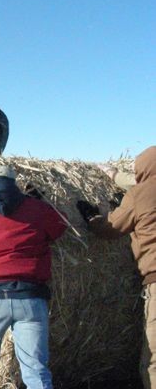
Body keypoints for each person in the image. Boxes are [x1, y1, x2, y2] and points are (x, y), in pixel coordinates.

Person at [0, 164, 67, 389]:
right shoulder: (36, 209)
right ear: (14, 184)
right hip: (30, 296)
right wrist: (43, 203)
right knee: (34, 366)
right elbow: (60, 226)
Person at [77, 146, 156, 389]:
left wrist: (93, 219)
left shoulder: (141, 193)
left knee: (155, 358)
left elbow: (112, 228)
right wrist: (114, 175)